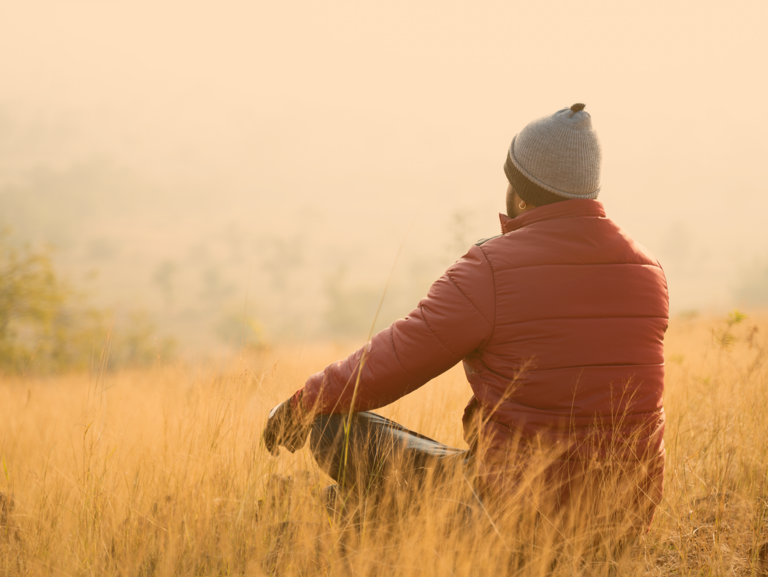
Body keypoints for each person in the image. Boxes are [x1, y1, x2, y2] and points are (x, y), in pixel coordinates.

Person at [263, 103, 668, 534]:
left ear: (521, 192)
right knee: (367, 494)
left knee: (330, 428)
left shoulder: (491, 268)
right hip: (623, 521)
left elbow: (394, 359)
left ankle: (379, 521)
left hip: (511, 516)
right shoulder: (648, 270)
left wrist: (303, 403)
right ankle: (372, 518)